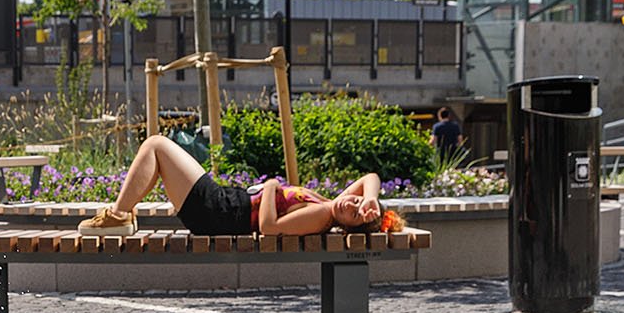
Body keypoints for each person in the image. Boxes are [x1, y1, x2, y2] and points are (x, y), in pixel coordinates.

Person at [77, 135, 404, 238]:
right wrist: (370, 201)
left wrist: (273, 187)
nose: (351, 205)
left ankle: (119, 215)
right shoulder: (332, 204)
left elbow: (270, 227)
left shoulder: (322, 214)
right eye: (357, 204)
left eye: (355, 215)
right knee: (158, 148)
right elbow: (370, 178)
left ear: (346, 227)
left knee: (157, 146)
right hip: (222, 204)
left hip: (218, 212)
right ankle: (122, 214)